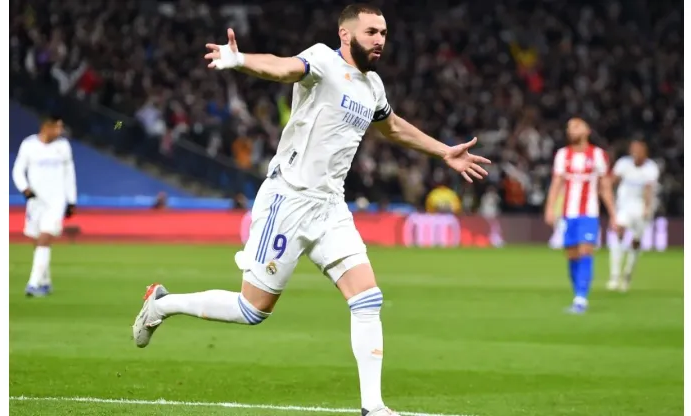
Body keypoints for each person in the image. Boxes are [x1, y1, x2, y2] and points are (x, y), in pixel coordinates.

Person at [131, 4, 491, 416]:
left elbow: (391, 127)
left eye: (384, 33)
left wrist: (445, 151)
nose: (380, 40)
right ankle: (160, 304)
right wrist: (241, 59)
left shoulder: (372, 86)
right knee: (252, 311)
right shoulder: (322, 60)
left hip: (331, 206)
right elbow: (282, 68)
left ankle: (373, 407)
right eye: (372, 31)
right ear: (345, 33)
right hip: (288, 200)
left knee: (368, 299)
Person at [544, 118, 616, 314]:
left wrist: (613, 214)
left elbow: (605, 187)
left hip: (589, 213)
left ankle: (581, 299)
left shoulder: (598, 155)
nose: (571, 130)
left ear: (587, 130)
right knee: (572, 255)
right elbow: (557, 184)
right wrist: (550, 208)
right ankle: (578, 293)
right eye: (569, 128)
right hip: (568, 213)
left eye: (576, 126)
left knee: (586, 250)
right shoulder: (562, 155)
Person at [12, 114, 77, 297]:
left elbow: (69, 174)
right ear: (45, 127)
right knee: (36, 241)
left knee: (44, 238)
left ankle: (32, 284)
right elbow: (18, 170)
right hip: (35, 202)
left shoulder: (63, 147)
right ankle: (46, 282)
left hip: (56, 202)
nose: (59, 131)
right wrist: (25, 189)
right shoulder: (29, 145)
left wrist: (71, 200)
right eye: (56, 127)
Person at [607, 139, 660, 292]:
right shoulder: (623, 164)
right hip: (624, 206)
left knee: (636, 242)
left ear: (645, 153)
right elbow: (613, 180)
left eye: (638, 150)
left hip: (642, 207)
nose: (634, 152)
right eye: (632, 149)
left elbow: (648, 190)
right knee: (618, 232)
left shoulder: (651, 168)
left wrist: (647, 208)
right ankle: (614, 275)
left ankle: (628, 273)